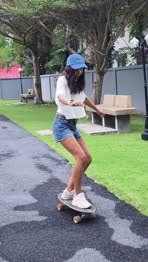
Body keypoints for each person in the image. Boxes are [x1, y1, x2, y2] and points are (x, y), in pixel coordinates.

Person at [53, 54, 104, 209]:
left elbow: (84, 97)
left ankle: (68, 190)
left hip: (73, 126)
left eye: (81, 69)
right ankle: (77, 195)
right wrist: (69, 102)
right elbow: (60, 96)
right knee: (80, 157)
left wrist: (97, 109)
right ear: (69, 69)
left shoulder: (78, 82)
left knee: (88, 158)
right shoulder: (62, 80)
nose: (79, 72)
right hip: (61, 124)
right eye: (76, 69)